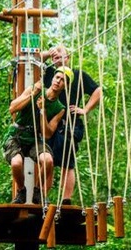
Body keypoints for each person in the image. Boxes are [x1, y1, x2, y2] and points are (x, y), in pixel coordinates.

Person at [40, 45, 102, 205]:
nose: (56, 55)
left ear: (68, 57)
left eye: (60, 53)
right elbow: (31, 62)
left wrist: (85, 109)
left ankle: (66, 200)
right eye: (54, 53)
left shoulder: (78, 75)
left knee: (67, 163)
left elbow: (98, 91)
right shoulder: (48, 74)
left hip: (68, 124)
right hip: (47, 124)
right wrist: (49, 53)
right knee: (48, 161)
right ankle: (42, 198)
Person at [4, 66, 72, 204]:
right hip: (17, 134)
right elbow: (13, 108)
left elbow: (47, 134)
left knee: (48, 160)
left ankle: (37, 191)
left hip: (34, 138)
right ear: (52, 78)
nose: (58, 81)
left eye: (63, 80)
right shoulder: (34, 90)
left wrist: (43, 112)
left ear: (65, 86)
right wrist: (33, 93)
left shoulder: (60, 108)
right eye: (57, 77)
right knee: (16, 163)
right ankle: (22, 191)